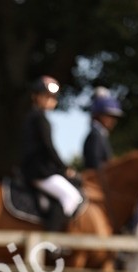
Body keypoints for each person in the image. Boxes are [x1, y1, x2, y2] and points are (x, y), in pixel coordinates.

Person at [20, 75, 83, 232]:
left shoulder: (33, 117)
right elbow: (48, 147)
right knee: (72, 196)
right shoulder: (39, 118)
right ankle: (51, 240)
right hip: (40, 172)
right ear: (36, 96)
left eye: (53, 97)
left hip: (35, 169)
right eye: (46, 96)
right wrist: (63, 167)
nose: (51, 100)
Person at [83, 88, 123, 170]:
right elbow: (95, 165)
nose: (113, 121)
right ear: (99, 115)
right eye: (109, 116)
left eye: (114, 118)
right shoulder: (96, 135)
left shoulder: (101, 134)